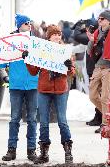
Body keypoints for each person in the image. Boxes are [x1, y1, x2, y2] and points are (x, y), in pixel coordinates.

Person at [0, 14, 39, 161]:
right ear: (19, 26)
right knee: (15, 118)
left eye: (30, 22)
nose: (29, 25)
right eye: (26, 23)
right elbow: (1, 64)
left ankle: (31, 150)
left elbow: (42, 61)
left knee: (32, 119)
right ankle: (11, 150)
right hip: (16, 85)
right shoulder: (10, 42)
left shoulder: (34, 42)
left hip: (33, 85)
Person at [25, 24, 76, 164]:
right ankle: (44, 152)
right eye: (54, 34)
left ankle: (68, 151)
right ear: (49, 36)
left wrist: (69, 66)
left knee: (62, 120)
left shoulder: (65, 51)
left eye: (59, 34)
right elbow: (33, 71)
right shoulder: (42, 50)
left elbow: (72, 72)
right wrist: (27, 59)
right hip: (44, 89)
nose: (57, 36)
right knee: (44, 122)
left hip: (61, 90)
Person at [87, 10, 110, 133]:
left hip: (109, 68)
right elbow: (88, 51)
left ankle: (105, 124)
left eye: (102, 19)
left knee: (106, 97)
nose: (99, 20)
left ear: (108, 20)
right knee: (92, 95)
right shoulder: (96, 33)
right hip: (98, 67)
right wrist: (91, 40)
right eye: (99, 18)